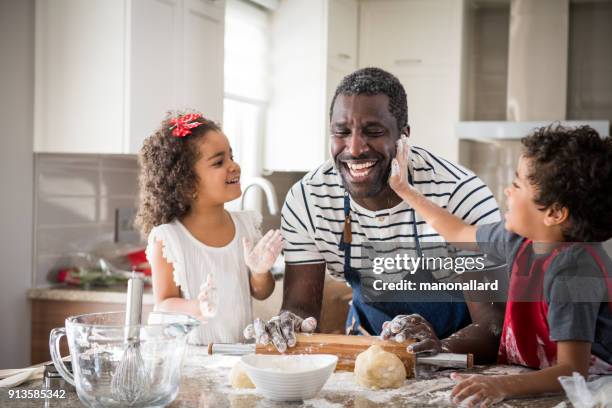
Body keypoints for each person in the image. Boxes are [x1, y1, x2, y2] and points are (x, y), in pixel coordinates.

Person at [245, 67, 503, 362]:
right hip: (367, 357)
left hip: (455, 364)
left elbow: (492, 326)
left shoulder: (459, 194)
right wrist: (287, 326)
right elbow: (302, 310)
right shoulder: (309, 199)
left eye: (374, 132)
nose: (354, 148)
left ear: (404, 135)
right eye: (341, 132)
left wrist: (438, 350)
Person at [389, 125, 612, 405]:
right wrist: (405, 191)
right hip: (537, 380)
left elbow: (572, 371)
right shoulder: (516, 240)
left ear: (554, 213)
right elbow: (457, 232)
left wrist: (500, 386)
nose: (507, 190)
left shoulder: (574, 272)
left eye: (518, 184)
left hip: (593, 393)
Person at [136, 111, 283, 344]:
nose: (233, 165)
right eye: (219, 162)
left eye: (231, 156)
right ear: (186, 182)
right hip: (194, 358)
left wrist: (260, 271)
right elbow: (164, 304)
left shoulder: (246, 225)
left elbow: (261, 292)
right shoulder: (168, 238)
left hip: (239, 356)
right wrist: (198, 307)